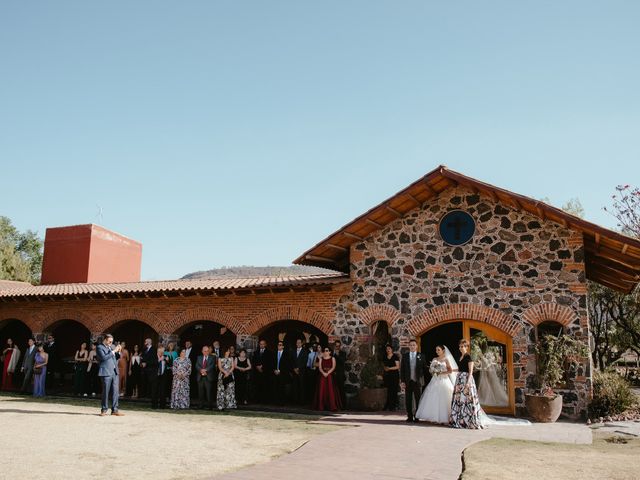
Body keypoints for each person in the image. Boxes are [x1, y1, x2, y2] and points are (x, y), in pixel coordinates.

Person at [416, 345, 457, 424]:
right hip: (435, 380)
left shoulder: (446, 359)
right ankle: (434, 417)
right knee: (434, 398)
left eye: (438, 350)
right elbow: (430, 370)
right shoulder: (434, 359)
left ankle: (444, 418)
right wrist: (433, 371)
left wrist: (441, 372)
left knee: (444, 398)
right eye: (436, 350)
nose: (437, 351)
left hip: (444, 380)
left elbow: (450, 371)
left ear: (443, 351)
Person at [450, 339, 486, 429]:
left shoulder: (468, 357)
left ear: (466, 347)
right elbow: (460, 369)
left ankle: (469, 420)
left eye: (462, 346)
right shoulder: (460, 357)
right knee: (459, 399)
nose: (460, 348)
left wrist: (468, 383)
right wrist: (450, 370)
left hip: (466, 379)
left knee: (467, 400)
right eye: (460, 346)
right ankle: (460, 420)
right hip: (459, 380)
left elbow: (470, 372)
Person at [96, 334, 124, 416]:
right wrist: (114, 351)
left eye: (112, 342)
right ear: (105, 340)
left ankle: (115, 410)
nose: (111, 343)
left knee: (115, 392)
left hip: (114, 372)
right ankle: (104, 410)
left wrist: (118, 351)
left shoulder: (112, 347)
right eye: (109, 341)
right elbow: (103, 358)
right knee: (106, 392)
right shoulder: (99, 347)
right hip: (105, 372)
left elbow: (117, 357)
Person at [400, 339, 426, 423]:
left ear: (417, 346)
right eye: (411, 345)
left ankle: (417, 416)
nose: (412, 346)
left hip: (417, 381)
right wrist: (402, 381)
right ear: (409, 346)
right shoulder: (405, 356)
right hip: (408, 381)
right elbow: (402, 369)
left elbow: (424, 369)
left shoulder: (421, 356)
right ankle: (410, 416)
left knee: (418, 399)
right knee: (408, 399)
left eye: (414, 345)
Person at [313, 346, 341, 411]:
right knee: (322, 390)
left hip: (329, 376)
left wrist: (327, 373)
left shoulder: (333, 358)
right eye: (325, 350)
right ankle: (321, 406)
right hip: (322, 376)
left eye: (327, 350)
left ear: (330, 352)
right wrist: (323, 373)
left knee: (330, 390)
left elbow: (333, 367)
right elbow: (320, 368)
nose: (325, 352)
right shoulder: (321, 359)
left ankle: (331, 406)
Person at [252, 339, 272, 404]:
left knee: (265, 387)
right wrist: (257, 367)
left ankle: (265, 401)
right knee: (257, 387)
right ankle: (257, 400)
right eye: (260, 344)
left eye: (263, 344)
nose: (262, 345)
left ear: (265, 344)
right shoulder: (256, 352)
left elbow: (269, 362)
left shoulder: (269, 352)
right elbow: (253, 361)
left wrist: (262, 366)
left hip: (265, 372)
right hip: (257, 373)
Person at [196, 345, 216, 410]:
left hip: (208, 377)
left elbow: (212, 366)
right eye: (205, 351)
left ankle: (210, 406)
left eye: (207, 351)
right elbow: (197, 365)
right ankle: (200, 405)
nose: (206, 352)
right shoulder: (199, 357)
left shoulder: (212, 357)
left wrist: (205, 370)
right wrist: (201, 370)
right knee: (200, 392)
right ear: (202, 351)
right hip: (200, 376)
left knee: (209, 392)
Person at [382, 344, 400, 411]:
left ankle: (393, 406)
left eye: (389, 348)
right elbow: (383, 365)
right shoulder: (385, 356)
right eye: (387, 349)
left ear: (392, 349)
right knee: (389, 390)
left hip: (394, 375)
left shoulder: (395, 356)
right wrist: (385, 368)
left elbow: (398, 366)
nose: (388, 350)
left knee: (394, 390)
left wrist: (389, 368)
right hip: (387, 375)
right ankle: (388, 405)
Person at [290, 338, 308, 404]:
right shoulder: (293, 351)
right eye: (297, 342)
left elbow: (305, 362)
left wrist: (298, 368)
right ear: (296, 343)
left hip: (301, 372)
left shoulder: (305, 351)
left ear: (301, 343)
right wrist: (294, 368)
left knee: (301, 386)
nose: (298, 344)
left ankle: (302, 401)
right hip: (294, 371)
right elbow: (291, 361)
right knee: (295, 386)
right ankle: (295, 401)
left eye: (299, 342)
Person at [272, 341, 290, 405]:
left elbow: (287, 365)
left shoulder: (286, 354)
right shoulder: (274, 353)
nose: (279, 346)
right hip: (275, 373)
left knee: (282, 388)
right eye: (278, 345)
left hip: (283, 373)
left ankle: (282, 402)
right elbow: (272, 363)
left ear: (283, 346)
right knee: (275, 387)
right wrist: (274, 370)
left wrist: (280, 371)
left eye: (281, 345)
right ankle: (276, 401)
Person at [332, 340, 347, 406]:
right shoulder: (331, 353)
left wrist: (337, 355)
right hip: (332, 374)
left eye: (338, 346)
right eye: (336, 346)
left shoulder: (343, 353)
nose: (337, 347)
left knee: (341, 389)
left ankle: (343, 405)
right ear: (334, 346)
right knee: (333, 390)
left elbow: (342, 361)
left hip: (340, 374)